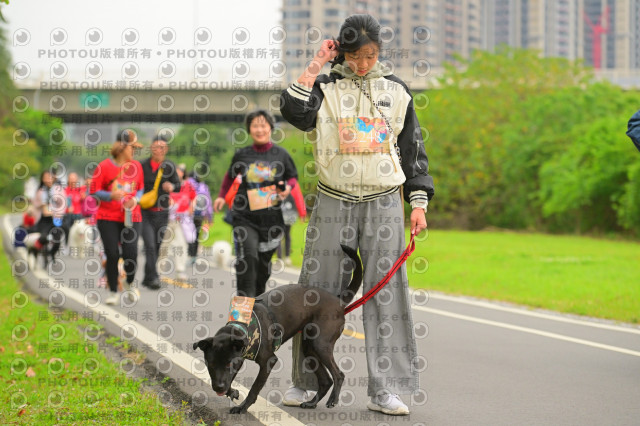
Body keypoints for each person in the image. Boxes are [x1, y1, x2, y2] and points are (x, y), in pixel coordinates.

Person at [280, 14, 434, 415]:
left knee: (386, 291)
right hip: (334, 199)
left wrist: (417, 204)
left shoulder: (397, 91)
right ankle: (306, 381)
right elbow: (293, 111)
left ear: (379, 51)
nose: (361, 64)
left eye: (369, 56)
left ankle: (386, 389)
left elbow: (413, 152)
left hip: (384, 202)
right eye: (353, 56)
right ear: (342, 53)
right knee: (315, 290)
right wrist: (318, 64)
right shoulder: (326, 86)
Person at [213, 109, 299, 297]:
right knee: (247, 258)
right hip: (244, 216)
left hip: (271, 219)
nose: (259, 129)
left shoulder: (281, 155)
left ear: (270, 128)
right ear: (249, 129)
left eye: (263, 125)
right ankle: (242, 314)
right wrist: (221, 196)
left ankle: (256, 307)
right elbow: (229, 177)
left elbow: (292, 177)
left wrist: (287, 188)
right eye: (255, 125)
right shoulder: (242, 155)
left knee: (263, 268)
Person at [89, 129, 145, 305]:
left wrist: (135, 200)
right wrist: (109, 196)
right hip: (108, 217)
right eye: (132, 148)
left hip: (131, 216)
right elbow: (93, 192)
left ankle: (129, 282)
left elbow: (141, 189)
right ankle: (113, 290)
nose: (134, 152)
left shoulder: (137, 167)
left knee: (131, 253)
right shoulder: (104, 167)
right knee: (112, 254)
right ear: (121, 146)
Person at [139, 134, 181, 290]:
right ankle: (154, 277)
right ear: (151, 148)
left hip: (162, 213)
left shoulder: (169, 166)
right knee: (149, 244)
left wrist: (171, 186)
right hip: (145, 212)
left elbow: (178, 185)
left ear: (166, 149)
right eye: (156, 147)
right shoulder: (142, 166)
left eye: (162, 148)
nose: (159, 150)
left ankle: (147, 277)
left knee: (157, 246)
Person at [164, 164, 196, 280]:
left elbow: (194, 197)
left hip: (182, 219)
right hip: (167, 218)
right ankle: (158, 269)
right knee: (163, 245)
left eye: (180, 171)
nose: (178, 173)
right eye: (176, 171)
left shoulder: (188, 185)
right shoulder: (167, 184)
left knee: (181, 244)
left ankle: (180, 270)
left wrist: (192, 207)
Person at [31, 170, 65, 254]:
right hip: (43, 219)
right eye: (45, 178)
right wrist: (41, 205)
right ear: (42, 179)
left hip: (56, 218)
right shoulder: (40, 191)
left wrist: (56, 213)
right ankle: (36, 250)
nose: (48, 180)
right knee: (43, 237)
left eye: (49, 177)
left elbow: (63, 204)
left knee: (57, 238)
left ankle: (52, 254)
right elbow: (35, 204)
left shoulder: (58, 189)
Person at [276, 182, 306, 265]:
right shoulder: (294, 184)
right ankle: (286, 257)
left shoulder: (279, 181)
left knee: (280, 235)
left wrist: (302, 213)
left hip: (281, 213)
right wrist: (302, 214)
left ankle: (281, 258)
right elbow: (298, 198)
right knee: (286, 235)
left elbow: (298, 198)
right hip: (288, 214)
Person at [186, 171, 213, 264]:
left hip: (188, 214)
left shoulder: (187, 183)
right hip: (200, 214)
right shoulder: (204, 187)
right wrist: (210, 217)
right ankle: (194, 256)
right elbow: (208, 203)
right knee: (197, 235)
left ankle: (190, 254)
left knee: (188, 234)